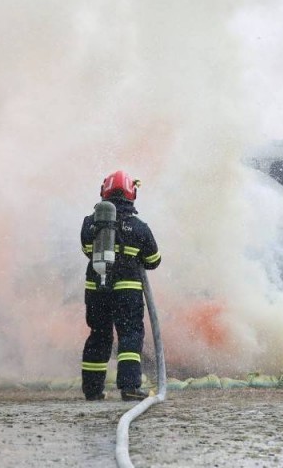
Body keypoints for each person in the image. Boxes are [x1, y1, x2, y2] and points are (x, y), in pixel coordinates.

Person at [80, 170, 161, 401]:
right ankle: (129, 387)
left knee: (99, 335)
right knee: (129, 335)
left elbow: (86, 250)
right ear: (131, 194)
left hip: (96, 289)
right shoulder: (139, 227)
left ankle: (93, 390)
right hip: (127, 292)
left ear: (103, 192)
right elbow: (154, 260)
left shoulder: (89, 223)